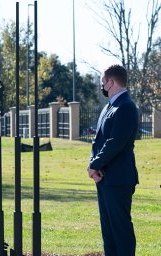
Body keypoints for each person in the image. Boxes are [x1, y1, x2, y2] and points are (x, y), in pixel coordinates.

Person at [88, 64, 139, 256]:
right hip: (103, 179)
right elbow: (97, 141)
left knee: (121, 230)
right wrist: (93, 164)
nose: (102, 85)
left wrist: (95, 164)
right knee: (108, 232)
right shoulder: (108, 107)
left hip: (119, 179)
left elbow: (115, 142)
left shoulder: (126, 107)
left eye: (103, 81)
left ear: (111, 82)